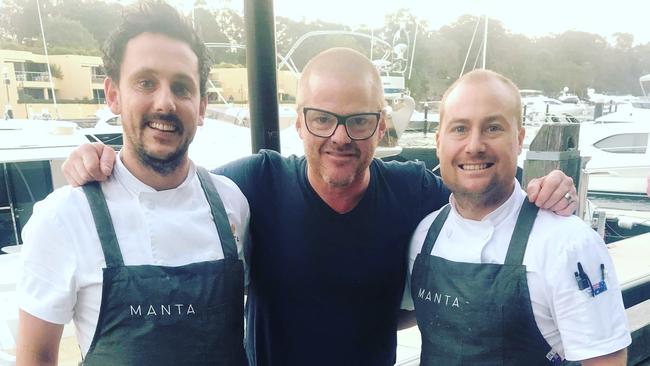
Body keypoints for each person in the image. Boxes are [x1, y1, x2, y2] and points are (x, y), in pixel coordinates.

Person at [61, 48, 577, 365]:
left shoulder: (416, 193)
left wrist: (547, 188)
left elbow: (483, 189)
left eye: (357, 121)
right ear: (298, 120)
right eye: (322, 119)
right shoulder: (254, 183)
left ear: (380, 126)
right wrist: (100, 161)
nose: (339, 137)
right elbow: (165, 193)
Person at [16, 2, 249, 365]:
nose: (165, 102)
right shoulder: (63, 218)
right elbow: (35, 358)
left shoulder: (232, 202)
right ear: (113, 95)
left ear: (202, 106)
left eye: (182, 87)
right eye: (145, 83)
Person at [402, 69, 630, 365]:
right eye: (459, 129)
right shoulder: (424, 235)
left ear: (519, 138)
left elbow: (606, 360)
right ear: (438, 142)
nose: (474, 145)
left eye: (492, 128)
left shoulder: (568, 244)